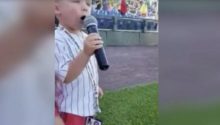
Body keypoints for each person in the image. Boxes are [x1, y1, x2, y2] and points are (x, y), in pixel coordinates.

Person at [54, 0, 104, 125]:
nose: (85, 8)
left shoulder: (85, 36)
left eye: (88, 3)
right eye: (77, 1)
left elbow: (86, 69)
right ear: (56, 8)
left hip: (87, 110)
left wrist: (93, 86)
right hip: (71, 112)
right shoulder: (56, 39)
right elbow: (66, 76)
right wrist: (86, 53)